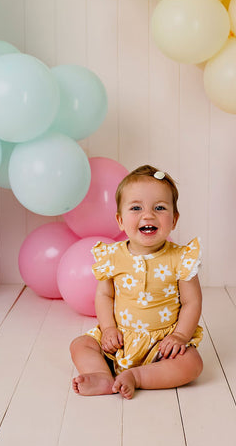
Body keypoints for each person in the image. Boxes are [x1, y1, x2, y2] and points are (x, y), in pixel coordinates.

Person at [70, 164, 203, 399]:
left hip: (161, 345)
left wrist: (180, 336)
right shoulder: (112, 256)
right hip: (119, 339)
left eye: (160, 208)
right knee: (80, 344)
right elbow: (104, 295)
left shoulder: (181, 258)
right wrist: (109, 329)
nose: (148, 215)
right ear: (120, 220)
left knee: (192, 364)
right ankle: (101, 374)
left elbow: (192, 301)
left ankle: (138, 376)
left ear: (174, 219)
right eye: (136, 208)